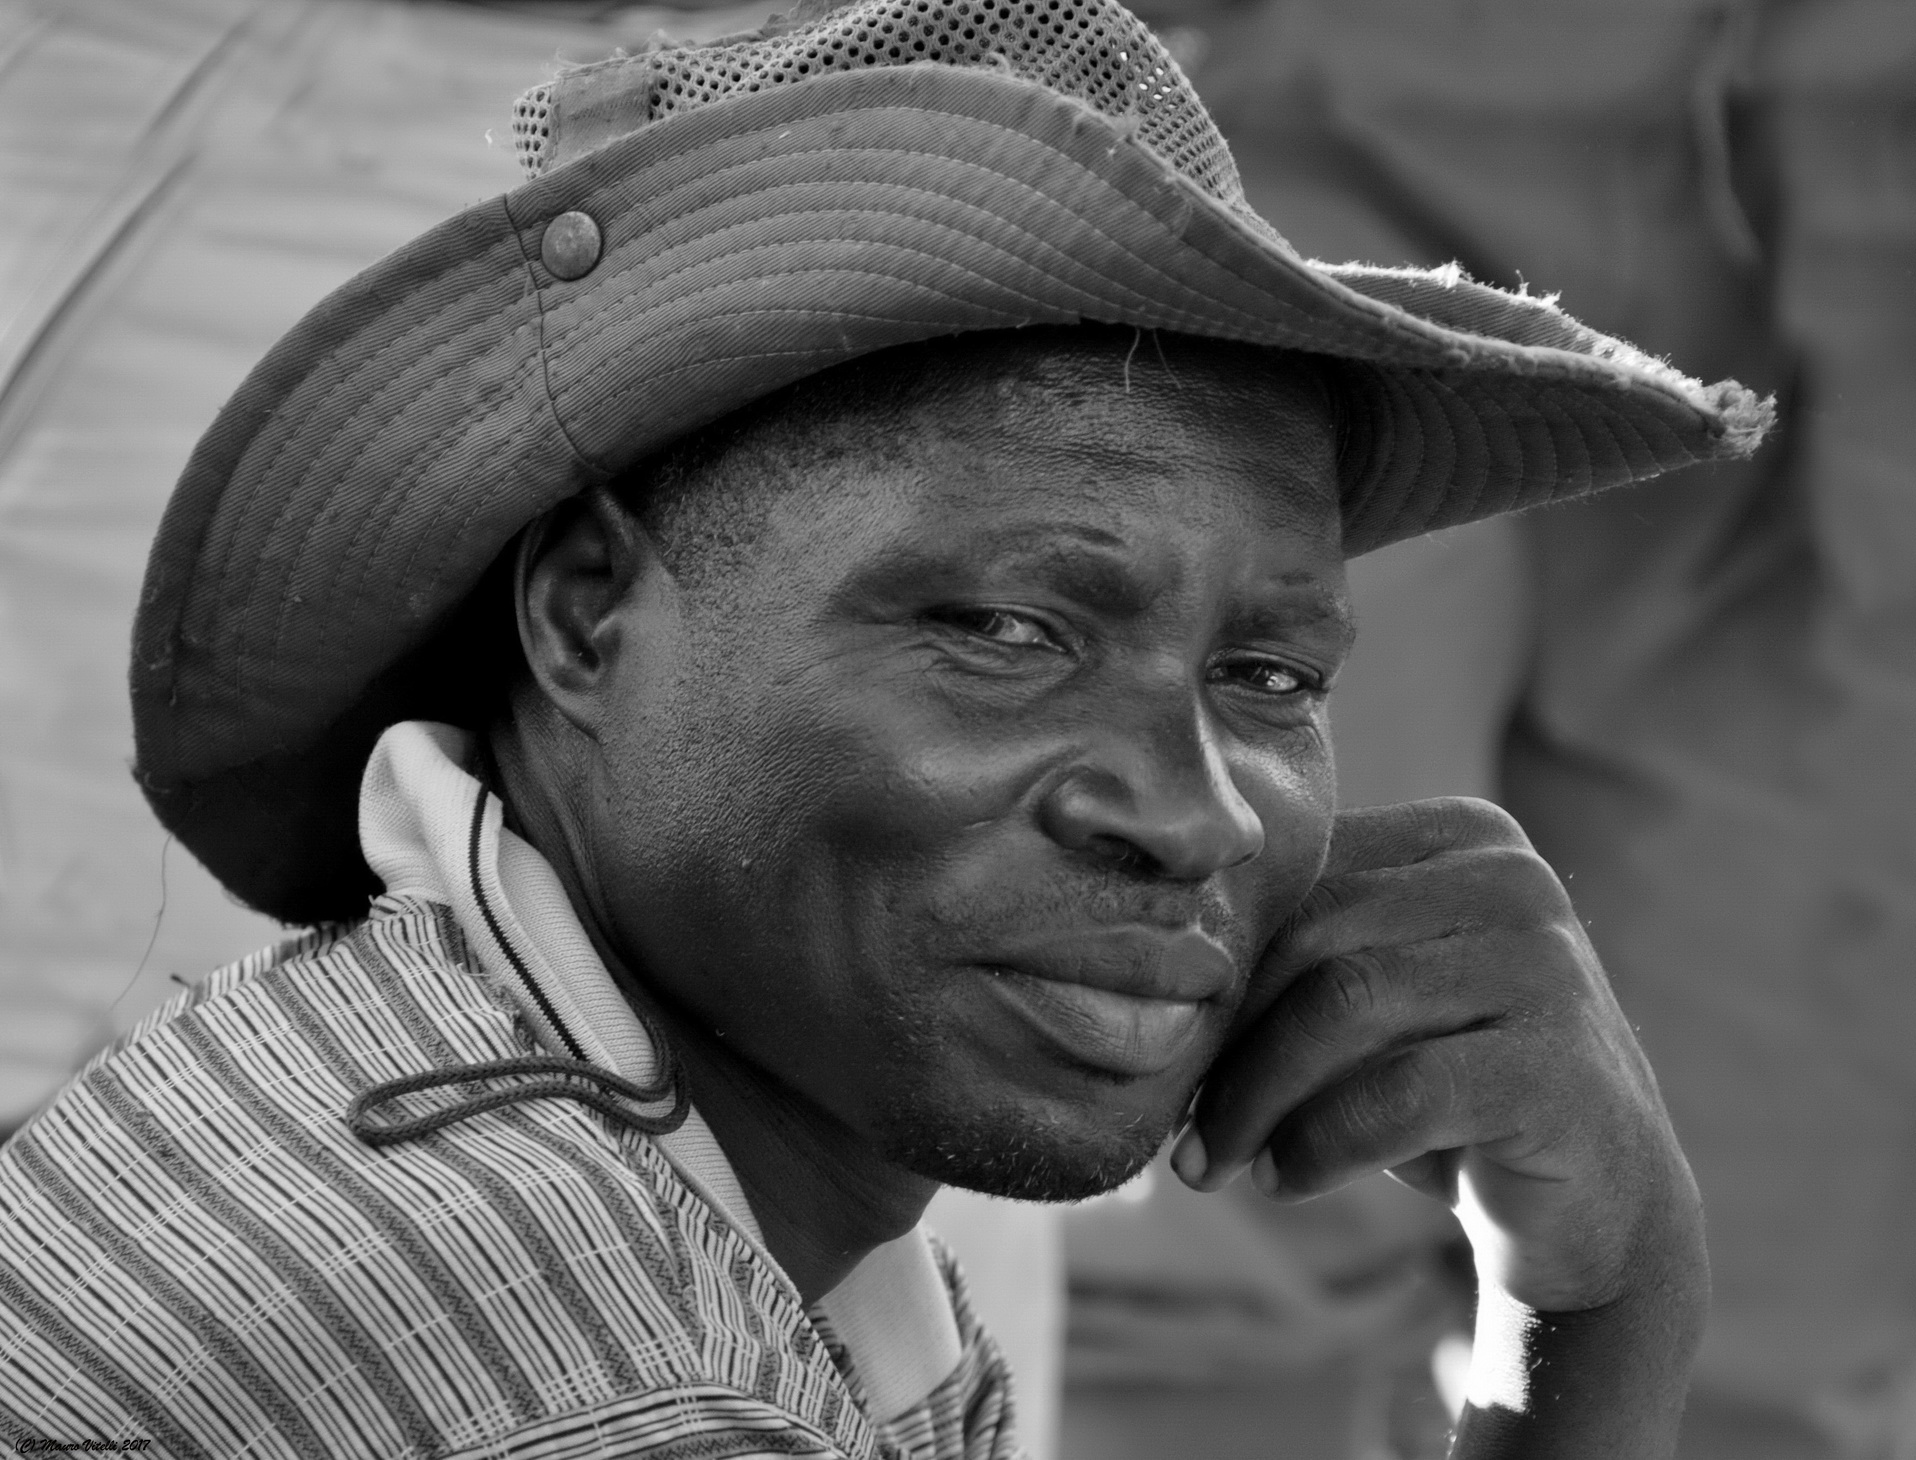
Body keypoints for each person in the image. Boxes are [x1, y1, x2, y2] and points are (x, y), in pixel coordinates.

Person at [0, 1, 1769, 1455]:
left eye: (1271, 679)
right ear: (586, 615)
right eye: (1005, 633)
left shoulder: (467, 1090)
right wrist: (1609, 1314)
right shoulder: (565, 1357)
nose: (1198, 816)